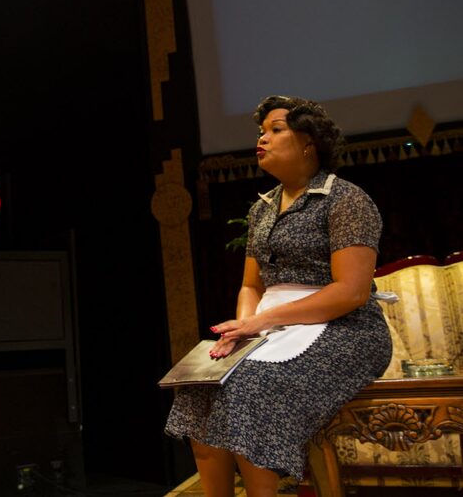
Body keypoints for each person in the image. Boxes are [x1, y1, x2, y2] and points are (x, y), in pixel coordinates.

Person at [165, 95, 392, 496]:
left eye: (275, 130)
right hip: (273, 327)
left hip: (345, 327)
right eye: (260, 132)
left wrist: (261, 322)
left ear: (308, 141)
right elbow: (251, 286)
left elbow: (352, 291)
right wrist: (241, 330)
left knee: (252, 385)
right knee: (199, 385)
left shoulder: (345, 199)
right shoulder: (262, 211)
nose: (262, 139)